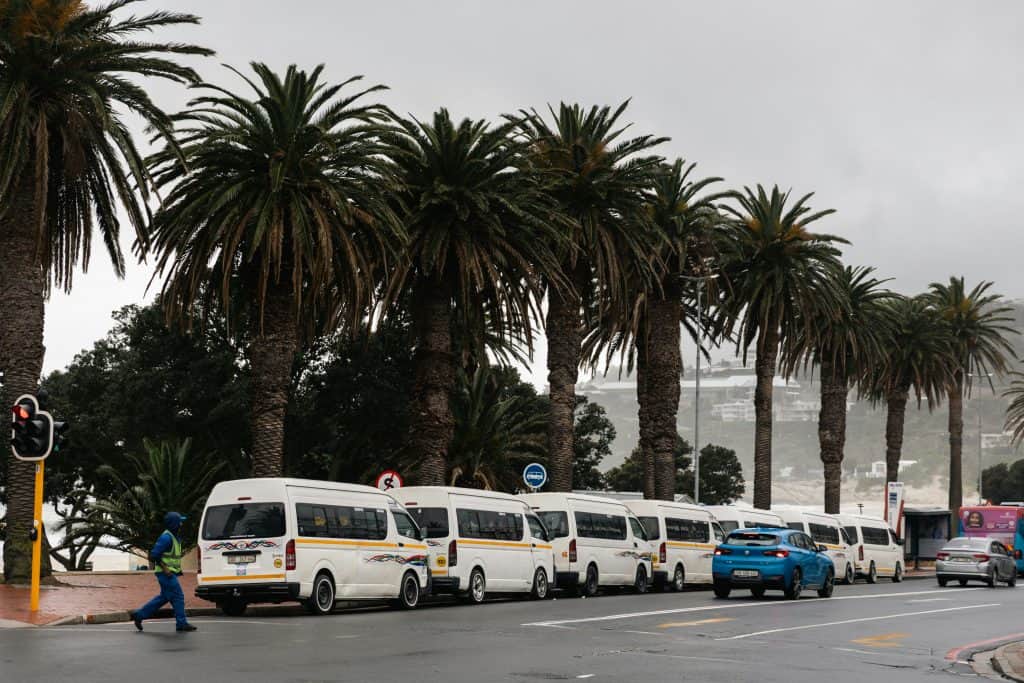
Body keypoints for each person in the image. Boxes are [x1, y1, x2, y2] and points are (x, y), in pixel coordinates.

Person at [131, 511, 197, 632]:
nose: (181, 524)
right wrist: (165, 568)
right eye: (180, 522)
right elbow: (154, 555)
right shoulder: (166, 538)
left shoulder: (174, 537)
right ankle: (181, 623)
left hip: (169, 573)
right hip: (165, 574)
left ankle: (139, 615)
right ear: (174, 524)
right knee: (178, 596)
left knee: (164, 597)